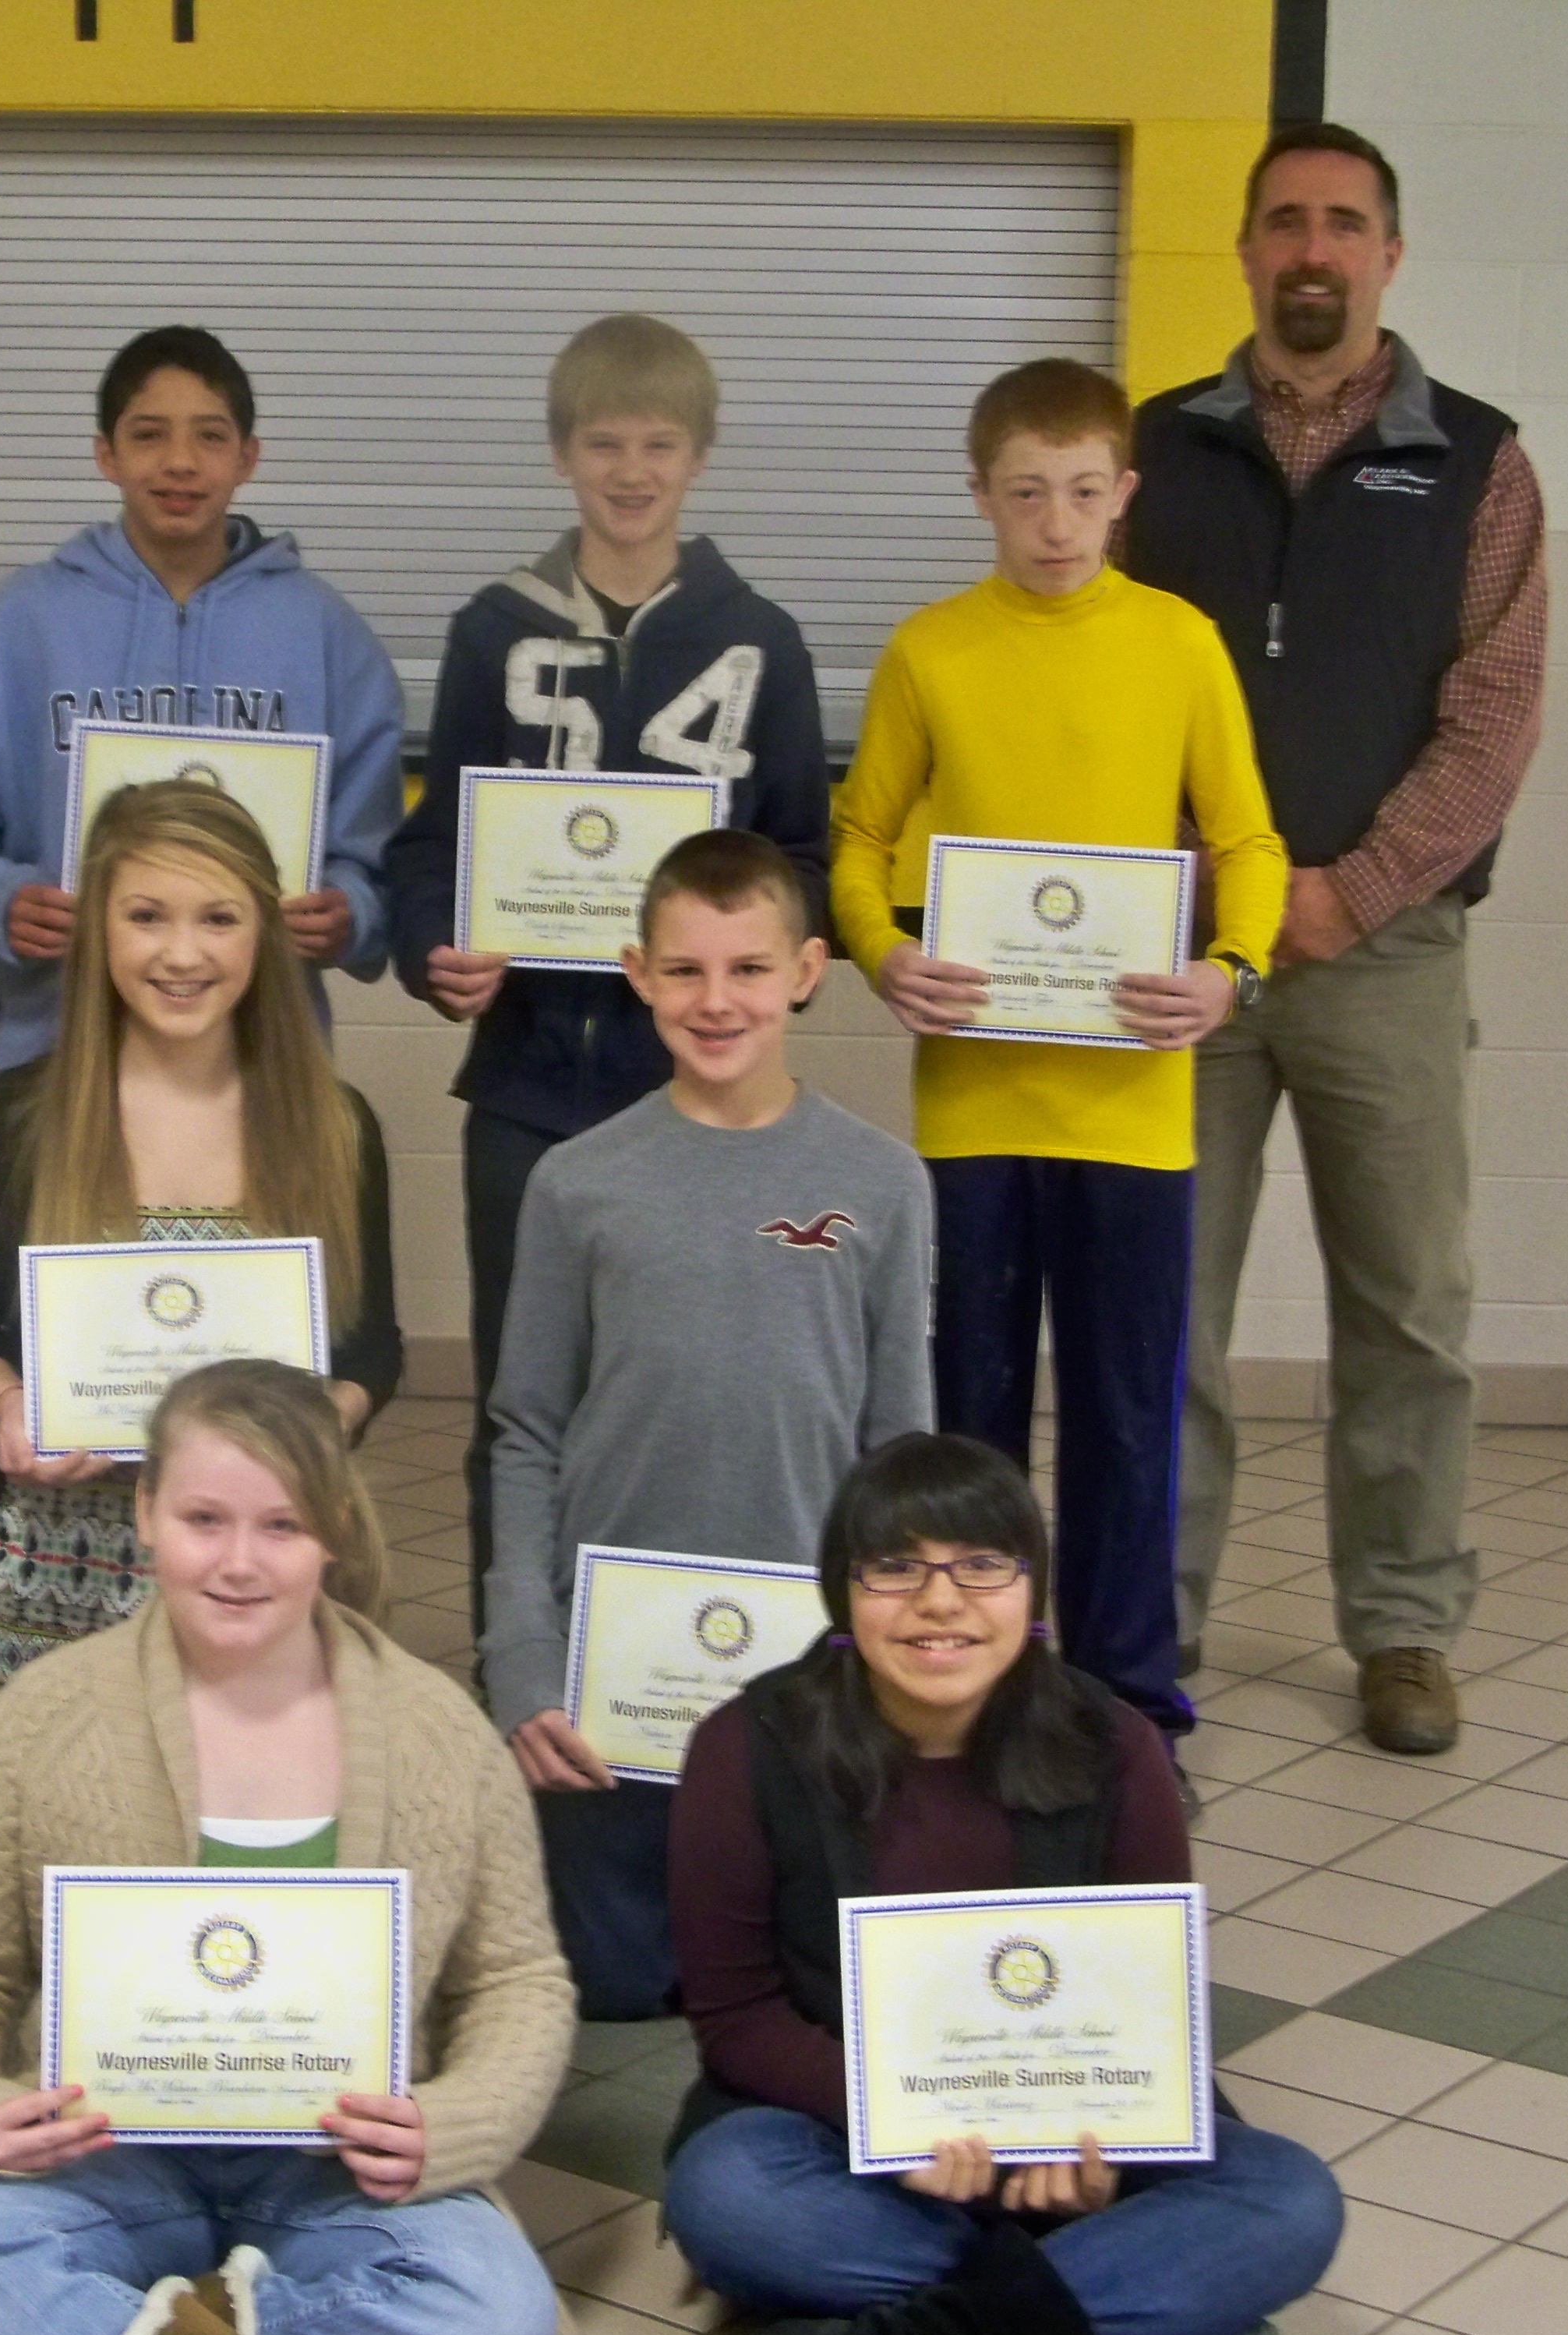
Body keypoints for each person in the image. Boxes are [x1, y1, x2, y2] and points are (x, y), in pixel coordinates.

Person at [1120, 125, 1548, 1758]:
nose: (1313, 248)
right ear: (1243, 249)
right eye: (1286, 221)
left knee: (1409, 1309)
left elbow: (1492, 715)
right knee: (1166, 1307)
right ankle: (1145, 1626)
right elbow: (1104, 683)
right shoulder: (1154, 449)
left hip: (1391, 954)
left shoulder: (1477, 463)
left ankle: (1404, 1626)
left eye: (1344, 224)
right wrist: (1223, 891)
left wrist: (1347, 891)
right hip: (1187, 956)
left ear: (1388, 253)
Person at [0, 1359, 574, 2335]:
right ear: (147, 1513)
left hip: (337, 2170)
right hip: (103, 2154)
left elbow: (515, 1980)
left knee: (495, 2307)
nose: (239, 1562)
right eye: (205, 1519)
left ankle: (175, 2326)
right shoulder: (41, 1719)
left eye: (281, 1526)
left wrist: (451, 2127)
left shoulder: (438, 1732)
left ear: (333, 1529)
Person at [833, 357, 1288, 1750]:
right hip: (973, 1111)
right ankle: (964, 1692)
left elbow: (1249, 840)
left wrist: (1229, 973)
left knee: (1128, 1425)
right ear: (980, 494)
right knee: (967, 1432)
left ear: (1125, 493)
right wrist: (883, 952)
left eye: (1084, 493)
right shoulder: (932, 650)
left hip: (1134, 1113)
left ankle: (1127, 1702)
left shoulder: (1180, 644)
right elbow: (858, 839)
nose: (1056, 524)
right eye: (1027, 494)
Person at [662, 1433, 1344, 2335]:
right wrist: (904, 2123)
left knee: (1290, 2197)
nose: (941, 1601)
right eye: (894, 1567)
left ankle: (932, 2320)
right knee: (729, 2193)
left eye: (982, 1565)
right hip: (849, 2132)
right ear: (842, 1592)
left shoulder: (1113, 1743)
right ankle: (1095, 2298)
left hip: (1072, 2141)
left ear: (1031, 1589)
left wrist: (1094, 2142)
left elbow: (1146, 2004)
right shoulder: (745, 1744)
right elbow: (736, 2016)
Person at [383, 313, 831, 1627]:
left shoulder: (763, 640)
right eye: (604, 445)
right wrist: (435, 953)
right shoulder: (492, 632)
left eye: (658, 445)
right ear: (560, 452)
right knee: (524, 1405)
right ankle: (518, 1660)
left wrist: (754, 977)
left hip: (703, 1100)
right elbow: (436, 846)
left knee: (700, 1394)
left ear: (700, 455)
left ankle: (679, 1669)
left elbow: (803, 857)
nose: (631, 472)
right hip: (528, 1091)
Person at [480, 829, 931, 2021]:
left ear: (807, 971)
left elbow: (900, 1449)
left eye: (748, 969)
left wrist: (899, 1659)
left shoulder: (883, 1182)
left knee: (807, 1989)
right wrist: (522, 1654)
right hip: (613, 1676)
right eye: (684, 970)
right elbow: (525, 1431)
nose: (715, 1001)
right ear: (638, 974)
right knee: (617, 1985)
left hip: (805, 1668)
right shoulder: (578, 1182)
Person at [0, 781, 402, 1709]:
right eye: (146, 916)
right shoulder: (21, 1121)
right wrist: (10, 1402)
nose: (182, 953)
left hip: (253, 1563)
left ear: (262, 934)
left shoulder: (335, 1129)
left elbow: (370, 1350)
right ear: (99, 930)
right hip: (59, 1558)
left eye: (218, 918)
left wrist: (308, 1433)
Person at [0, 324, 406, 1092]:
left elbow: (379, 852)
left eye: (209, 436)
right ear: (107, 455)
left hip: (259, 1066)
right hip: (55, 1056)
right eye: (149, 434)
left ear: (248, 458)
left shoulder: (325, 633)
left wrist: (351, 911)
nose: (180, 462)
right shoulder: (21, 624)